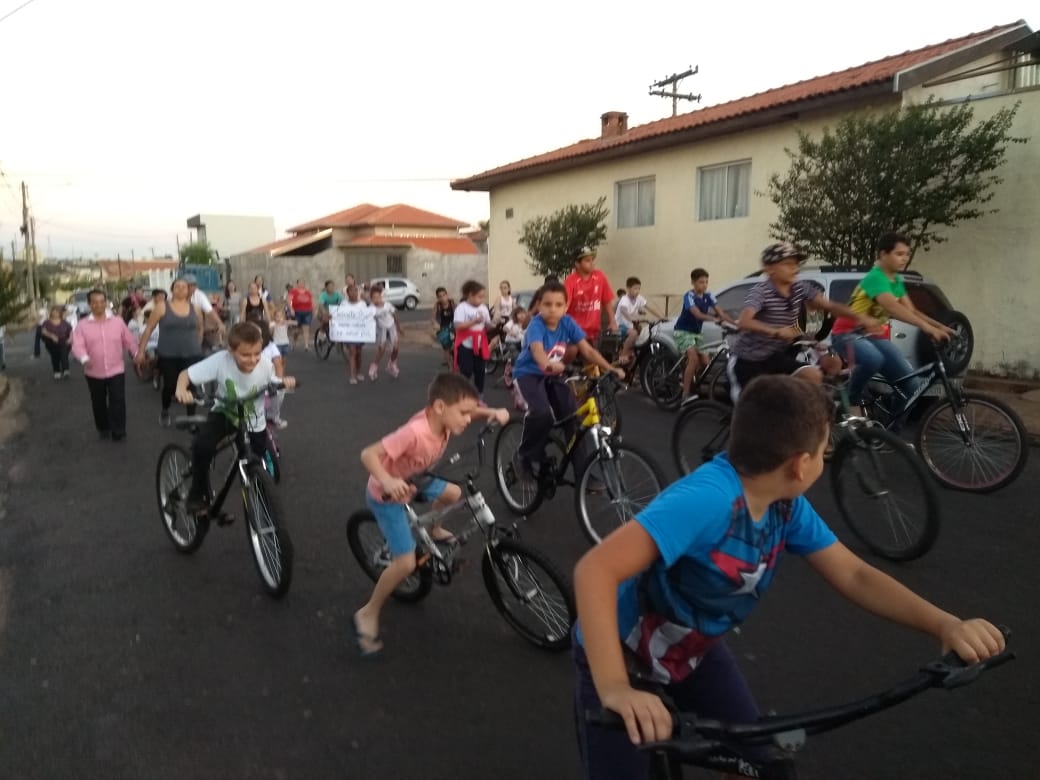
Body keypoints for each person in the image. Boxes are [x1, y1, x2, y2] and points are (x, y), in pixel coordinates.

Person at [572, 374, 1007, 779]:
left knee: (761, 761)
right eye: (824, 449)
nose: (825, 458)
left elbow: (854, 574)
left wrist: (945, 624)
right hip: (621, 653)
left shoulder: (785, 504)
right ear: (800, 464)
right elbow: (595, 570)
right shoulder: (709, 499)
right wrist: (615, 687)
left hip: (691, 650)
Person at [352, 372, 510, 656]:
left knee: (454, 494)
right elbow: (368, 454)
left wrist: (492, 412)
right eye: (463, 413)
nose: (467, 419)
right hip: (387, 494)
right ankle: (368, 612)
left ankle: (434, 529)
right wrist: (388, 481)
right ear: (439, 407)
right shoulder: (415, 432)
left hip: (418, 479)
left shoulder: (445, 418)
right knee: (405, 564)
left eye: (469, 413)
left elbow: (471, 412)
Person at [730, 242, 879, 398]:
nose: (795, 268)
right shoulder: (760, 292)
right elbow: (744, 322)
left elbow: (830, 306)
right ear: (770, 269)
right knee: (750, 408)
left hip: (776, 356)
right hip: (748, 360)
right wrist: (775, 331)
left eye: (796, 264)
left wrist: (861, 317)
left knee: (813, 376)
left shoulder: (800, 288)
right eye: (788, 264)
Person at [174, 322, 295, 514]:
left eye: (257, 353)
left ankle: (259, 499)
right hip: (225, 413)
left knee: (256, 461)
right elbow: (185, 375)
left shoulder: (265, 363)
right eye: (246, 355)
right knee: (202, 446)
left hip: (254, 420)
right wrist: (181, 389)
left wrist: (283, 382)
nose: (253, 359)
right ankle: (198, 495)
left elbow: (271, 380)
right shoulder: (221, 361)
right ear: (231, 351)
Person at [830, 232, 954, 415]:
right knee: (873, 359)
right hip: (846, 333)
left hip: (873, 336)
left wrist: (940, 327)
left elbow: (912, 311)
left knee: (913, 386)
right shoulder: (876, 277)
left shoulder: (895, 280)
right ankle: (849, 398)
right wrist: (927, 328)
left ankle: (892, 428)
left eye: (907, 254)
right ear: (883, 254)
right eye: (899, 254)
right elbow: (892, 307)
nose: (905, 259)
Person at [511, 280, 623, 479]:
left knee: (573, 419)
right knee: (542, 413)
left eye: (558, 304)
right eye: (547, 304)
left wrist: (610, 368)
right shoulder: (536, 325)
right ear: (539, 306)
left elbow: (587, 350)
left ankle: (583, 474)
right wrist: (547, 364)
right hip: (528, 374)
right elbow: (537, 350)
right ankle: (524, 455)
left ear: (565, 307)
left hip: (553, 375)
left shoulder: (567, 322)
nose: (553, 309)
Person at [70, 289, 138, 441]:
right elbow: (77, 345)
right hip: (94, 372)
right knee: (98, 402)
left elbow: (129, 341)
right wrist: (84, 359)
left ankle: (119, 430)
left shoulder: (117, 322)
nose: (99, 305)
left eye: (102, 302)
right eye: (95, 302)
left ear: (106, 303)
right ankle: (103, 427)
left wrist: (136, 354)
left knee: (118, 401)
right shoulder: (82, 326)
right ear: (89, 304)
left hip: (116, 370)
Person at [137, 277, 204, 426]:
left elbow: (200, 328)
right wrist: (141, 351)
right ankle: (165, 410)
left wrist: (197, 344)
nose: (180, 289)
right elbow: (149, 329)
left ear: (188, 290)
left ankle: (191, 418)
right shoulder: (162, 307)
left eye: (184, 287)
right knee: (170, 386)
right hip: (169, 355)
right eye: (177, 286)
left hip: (192, 354)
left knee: (191, 386)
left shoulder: (195, 308)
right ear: (172, 289)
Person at [673, 268, 737, 404]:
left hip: (696, 333)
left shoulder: (709, 296)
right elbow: (697, 314)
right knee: (694, 358)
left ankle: (688, 376)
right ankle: (685, 394)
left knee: (706, 363)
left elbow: (721, 313)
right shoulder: (689, 296)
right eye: (701, 282)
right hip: (683, 331)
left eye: (706, 282)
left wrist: (736, 323)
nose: (705, 285)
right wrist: (714, 319)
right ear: (693, 282)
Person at [565, 246, 618, 348]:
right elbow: (565, 305)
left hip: (594, 332)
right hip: (575, 332)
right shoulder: (570, 281)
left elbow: (606, 301)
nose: (592, 263)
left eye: (592, 259)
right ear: (577, 264)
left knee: (600, 354)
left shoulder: (600, 276)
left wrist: (612, 321)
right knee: (573, 351)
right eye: (587, 260)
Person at [614, 276, 666, 367]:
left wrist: (662, 317)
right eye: (635, 288)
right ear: (628, 288)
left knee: (643, 333)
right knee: (634, 333)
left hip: (630, 325)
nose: (637, 291)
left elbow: (649, 307)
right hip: (620, 325)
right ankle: (623, 355)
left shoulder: (639, 298)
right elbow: (624, 311)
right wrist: (632, 319)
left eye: (639, 288)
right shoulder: (624, 299)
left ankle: (634, 355)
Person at [453, 280, 492, 398]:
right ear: (470, 295)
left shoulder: (484, 308)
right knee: (466, 370)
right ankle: (463, 395)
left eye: (483, 297)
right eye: (479, 296)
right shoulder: (462, 308)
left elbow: (487, 325)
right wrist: (474, 321)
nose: (482, 300)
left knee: (480, 371)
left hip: (479, 343)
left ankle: (479, 396)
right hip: (466, 343)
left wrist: (493, 324)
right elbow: (458, 326)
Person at [367, 285, 401, 380]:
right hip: (381, 330)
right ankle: (374, 366)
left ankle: (392, 364)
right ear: (371, 299)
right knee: (381, 350)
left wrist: (399, 327)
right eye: (374, 297)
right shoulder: (371, 308)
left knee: (396, 348)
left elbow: (394, 315)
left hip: (392, 327)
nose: (377, 299)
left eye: (378, 297)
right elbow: (367, 319)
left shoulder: (387, 305)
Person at [183, 273, 226, 344]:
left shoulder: (199, 294)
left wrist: (219, 323)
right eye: (190, 285)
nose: (193, 288)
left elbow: (209, 310)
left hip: (195, 326)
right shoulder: (176, 295)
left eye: (194, 285)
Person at [340, 284, 368, 384]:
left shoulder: (362, 304)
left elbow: (367, 317)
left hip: (359, 332)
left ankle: (358, 371)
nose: (354, 293)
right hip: (349, 333)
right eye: (351, 291)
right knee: (352, 352)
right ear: (347, 293)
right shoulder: (344, 304)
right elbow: (339, 316)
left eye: (356, 291)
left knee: (359, 354)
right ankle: (352, 375)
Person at [41, 305, 73, 379]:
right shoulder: (47, 322)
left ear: (60, 313)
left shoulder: (64, 322)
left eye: (57, 312)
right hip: (51, 342)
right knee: (55, 357)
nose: (55, 313)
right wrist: (51, 335)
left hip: (64, 341)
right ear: (51, 313)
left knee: (64, 355)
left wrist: (70, 338)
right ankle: (57, 371)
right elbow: (43, 331)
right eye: (54, 312)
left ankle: (66, 370)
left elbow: (71, 331)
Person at [431, 286, 456, 367]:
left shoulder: (452, 303)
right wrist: (436, 324)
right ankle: (450, 366)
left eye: (444, 295)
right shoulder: (437, 306)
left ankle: (453, 359)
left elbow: (458, 313)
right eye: (440, 296)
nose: (443, 298)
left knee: (454, 346)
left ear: (447, 295)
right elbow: (432, 318)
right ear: (438, 298)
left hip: (453, 328)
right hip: (443, 329)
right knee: (446, 349)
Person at [287, 279, 314, 351]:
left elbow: (312, 302)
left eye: (303, 283)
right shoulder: (293, 292)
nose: (301, 284)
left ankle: (306, 346)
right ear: (297, 284)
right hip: (297, 312)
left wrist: (313, 310)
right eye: (300, 283)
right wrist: (291, 309)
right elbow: (289, 301)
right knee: (296, 330)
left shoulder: (308, 293)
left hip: (307, 312)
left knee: (306, 328)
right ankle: (294, 342)